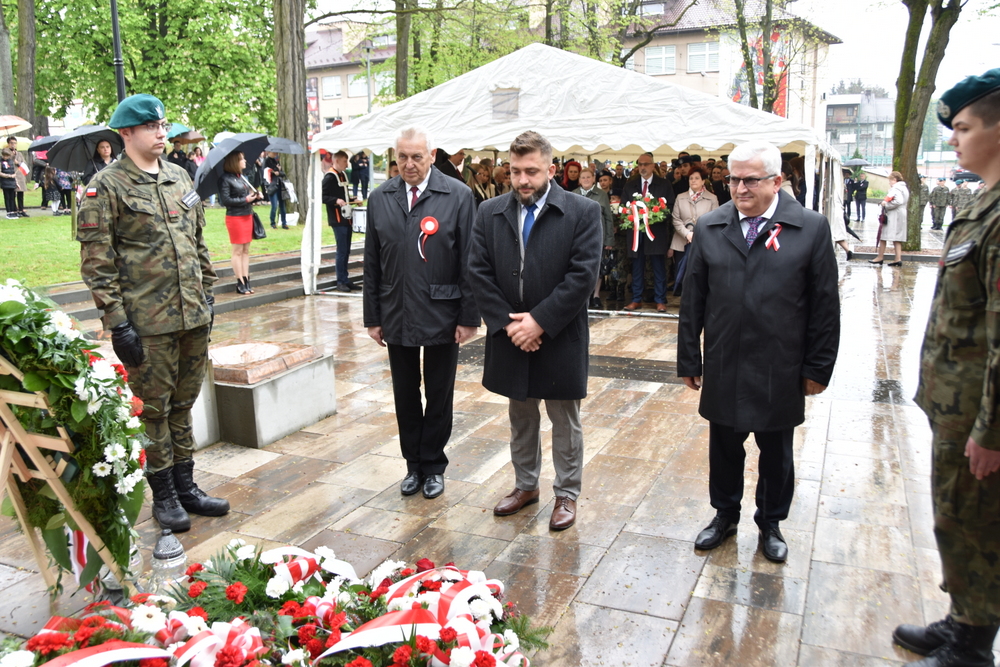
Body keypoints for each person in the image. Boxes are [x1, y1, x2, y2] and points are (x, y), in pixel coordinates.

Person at [677, 140, 840, 564]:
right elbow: (693, 300)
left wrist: (818, 367)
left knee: (776, 452)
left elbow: (825, 306)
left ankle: (771, 522)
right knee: (724, 447)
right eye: (733, 179)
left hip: (779, 367)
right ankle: (724, 515)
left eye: (751, 180)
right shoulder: (712, 226)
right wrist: (689, 360)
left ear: (777, 181)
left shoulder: (810, 228)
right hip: (725, 361)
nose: (740, 188)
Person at [76, 93, 229, 533]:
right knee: (154, 411)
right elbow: (97, 262)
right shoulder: (105, 186)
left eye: (163, 124)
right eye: (151, 126)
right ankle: (163, 495)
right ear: (126, 133)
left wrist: (209, 293)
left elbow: (197, 242)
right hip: (147, 323)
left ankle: (187, 488)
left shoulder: (179, 177)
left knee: (183, 406)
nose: (162, 132)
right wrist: (117, 322)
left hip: (193, 316)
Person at [890, 68, 1000, 667]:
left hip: (980, 417)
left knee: (975, 524)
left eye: (963, 127)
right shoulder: (985, 202)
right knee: (958, 519)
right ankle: (965, 618)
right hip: (956, 406)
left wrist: (991, 429)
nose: (953, 140)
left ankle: (971, 648)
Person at [468, 130, 602, 532]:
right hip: (511, 334)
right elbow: (477, 271)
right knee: (521, 414)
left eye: (531, 171)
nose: (523, 180)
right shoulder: (489, 211)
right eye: (515, 171)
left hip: (559, 334)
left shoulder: (581, 212)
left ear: (551, 168)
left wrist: (539, 321)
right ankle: (526, 485)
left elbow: (583, 276)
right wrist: (511, 325)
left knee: (564, 418)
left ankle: (567, 493)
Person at [364, 126, 480, 500]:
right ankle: (413, 464)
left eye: (417, 156)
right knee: (404, 392)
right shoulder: (380, 198)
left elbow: (470, 260)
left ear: (432, 155)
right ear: (394, 157)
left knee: (439, 391)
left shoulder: (458, 196)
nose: (409, 164)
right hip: (396, 309)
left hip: (443, 312)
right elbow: (371, 262)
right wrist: (373, 315)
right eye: (402, 157)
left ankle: (434, 464)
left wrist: (468, 316)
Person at [622, 152, 676, 312]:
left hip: (656, 232)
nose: (642, 167)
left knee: (658, 266)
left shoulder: (664, 184)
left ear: (653, 166)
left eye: (646, 164)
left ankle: (660, 299)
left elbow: (671, 207)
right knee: (637, 266)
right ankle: (636, 299)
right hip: (636, 233)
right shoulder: (630, 184)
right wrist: (633, 216)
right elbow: (624, 207)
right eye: (640, 164)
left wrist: (653, 216)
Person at [218, 151, 262, 295]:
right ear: (234, 162)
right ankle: (240, 282)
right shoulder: (225, 179)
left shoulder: (242, 177)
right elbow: (226, 200)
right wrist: (246, 200)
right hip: (235, 218)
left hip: (247, 215)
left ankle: (246, 279)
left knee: (246, 250)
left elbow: (246, 197)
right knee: (237, 251)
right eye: (241, 159)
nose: (245, 162)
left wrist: (255, 197)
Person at [671, 164, 718, 291]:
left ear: (703, 180)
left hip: (703, 242)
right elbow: (676, 219)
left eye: (697, 178)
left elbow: (714, 221)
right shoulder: (680, 197)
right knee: (682, 274)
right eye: (691, 178)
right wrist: (687, 233)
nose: (693, 181)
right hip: (682, 241)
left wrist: (698, 234)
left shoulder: (712, 198)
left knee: (699, 275)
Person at [575, 166, 614, 310]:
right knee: (579, 266)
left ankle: (596, 295)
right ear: (579, 180)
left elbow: (608, 218)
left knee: (598, 267)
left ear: (593, 179)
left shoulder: (602, 194)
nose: (586, 179)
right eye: (583, 177)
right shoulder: (573, 194)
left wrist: (609, 240)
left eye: (588, 177)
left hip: (598, 236)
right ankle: (582, 296)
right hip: (578, 237)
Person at [322, 150, 358, 292]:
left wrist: (353, 200)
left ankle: (345, 278)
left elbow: (343, 195)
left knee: (346, 250)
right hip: (337, 219)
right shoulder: (330, 177)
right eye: (344, 161)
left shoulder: (342, 175)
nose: (347, 164)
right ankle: (341, 281)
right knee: (342, 250)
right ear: (336, 161)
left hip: (346, 218)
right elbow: (322, 196)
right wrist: (336, 200)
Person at [870, 171, 908, 266]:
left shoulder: (896, 189)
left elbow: (898, 201)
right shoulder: (904, 188)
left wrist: (885, 204)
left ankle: (880, 257)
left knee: (883, 235)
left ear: (894, 180)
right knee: (897, 238)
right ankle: (897, 258)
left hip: (894, 215)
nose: (889, 183)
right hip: (901, 213)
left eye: (890, 180)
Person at [263, 152, 287, 229]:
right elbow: (266, 172)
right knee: (274, 205)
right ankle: (272, 222)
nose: (275, 154)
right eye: (274, 153)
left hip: (279, 185)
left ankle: (284, 222)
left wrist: (278, 172)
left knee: (282, 205)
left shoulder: (276, 160)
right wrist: (275, 171)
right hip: (272, 185)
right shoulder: (266, 161)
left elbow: (282, 173)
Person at [5, 137, 27, 217]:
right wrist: (12, 157)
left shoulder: (19, 154)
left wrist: (18, 162)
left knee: (20, 193)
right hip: (12, 175)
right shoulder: (6, 153)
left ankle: (21, 209)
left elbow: (23, 163)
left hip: (20, 174)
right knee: (12, 194)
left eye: (14, 143)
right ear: (8, 144)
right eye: (11, 143)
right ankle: (14, 209)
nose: (13, 145)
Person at [0, 148, 17, 219]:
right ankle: (8, 212)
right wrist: (9, 176)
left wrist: (16, 181)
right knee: (7, 197)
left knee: (12, 197)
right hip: (5, 182)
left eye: (7, 156)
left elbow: (13, 170)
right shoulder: (1, 162)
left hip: (12, 182)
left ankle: (12, 211)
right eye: (4, 156)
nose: (5, 157)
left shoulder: (11, 161)